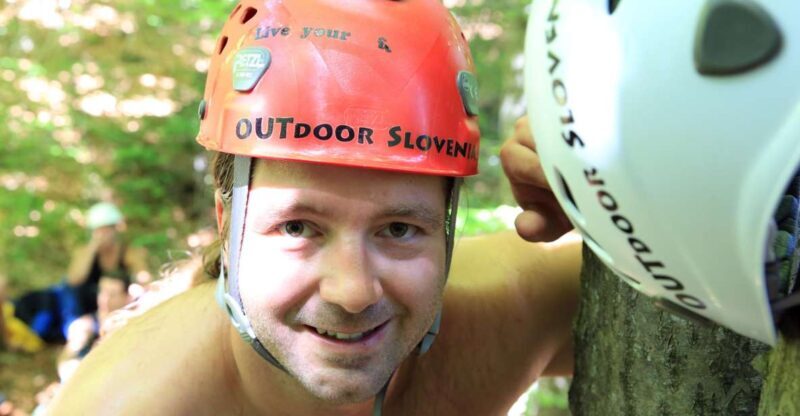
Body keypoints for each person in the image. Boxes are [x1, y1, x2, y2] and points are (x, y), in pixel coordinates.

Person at [48, 1, 581, 414]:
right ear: (225, 223)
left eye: (399, 229)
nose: (353, 294)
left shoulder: (505, 312)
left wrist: (610, 203)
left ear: (445, 229)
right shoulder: (132, 404)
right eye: (298, 227)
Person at [65, 202, 150, 317]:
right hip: (90, 313)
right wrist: (92, 248)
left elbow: (144, 278)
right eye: (99, 230)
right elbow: (73, 280)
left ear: (115, 229)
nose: (103, 235)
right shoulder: (85, 253)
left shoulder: (128, 253)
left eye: (107, 229)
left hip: (123, 310)